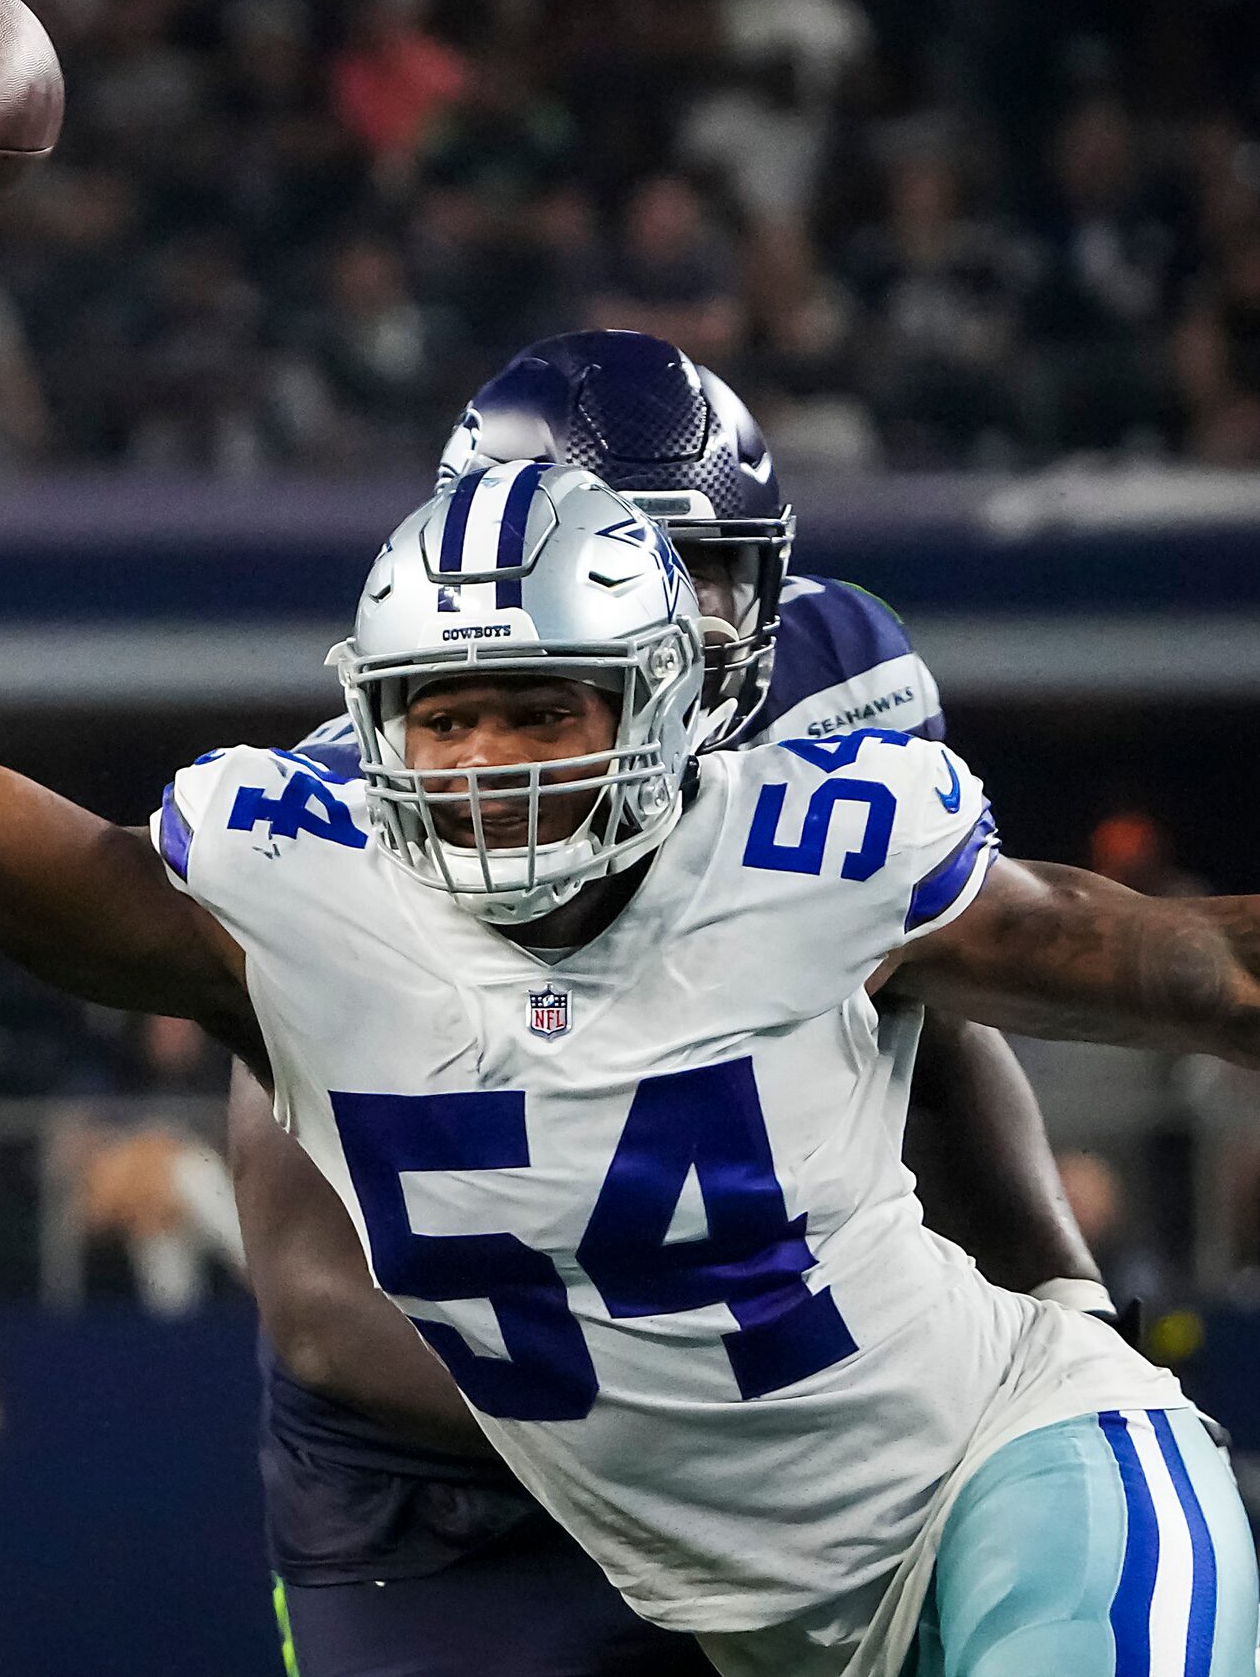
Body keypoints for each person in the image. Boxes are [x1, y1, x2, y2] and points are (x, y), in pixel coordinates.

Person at [0, 430, 1260, 1664]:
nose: (489, 760)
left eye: (542, 705)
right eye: (441, 715)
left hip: (1001, 1475)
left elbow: (1196, 966)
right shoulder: (300, 898)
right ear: (371, 726)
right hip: (718, 1596)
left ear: (664, 702)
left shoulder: (808, 845)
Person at [233, 334, 1117, 1676]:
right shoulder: (368, 798)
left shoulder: (835, 684)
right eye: (628, 555)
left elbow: (936, 1022)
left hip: (793, 1438)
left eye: (709, 565)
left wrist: (1062, 1306)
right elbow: (312, 1290)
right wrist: (685, 1422)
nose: (682, 616)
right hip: (447, 1491)